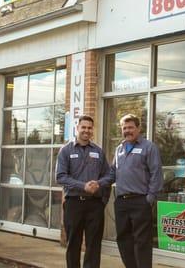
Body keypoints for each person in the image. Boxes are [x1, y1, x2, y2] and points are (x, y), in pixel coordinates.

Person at [91, 114, 163, 268]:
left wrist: (149, 199)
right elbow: (112, 174)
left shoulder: (148, 147)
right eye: (124, 128)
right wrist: (98, 183)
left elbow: (157, 174)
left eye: (130, 127)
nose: (127, 131)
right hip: (122, 202)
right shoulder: (119, 149)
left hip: (140, 201)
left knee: (142, 241)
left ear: (138, 128)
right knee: (123, 239)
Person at [56, 115, 110, 268]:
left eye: (89, 128)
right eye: (83, 127)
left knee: (94, 245)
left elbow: (108, 175)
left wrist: (101, 197)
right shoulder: (66, 151)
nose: (86, 130)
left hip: (95, 205)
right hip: (74, 204)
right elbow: (60, 176)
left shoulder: (99, 152)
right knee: (73, 243)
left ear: (92, 130)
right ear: (77, 128)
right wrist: (83, 186)